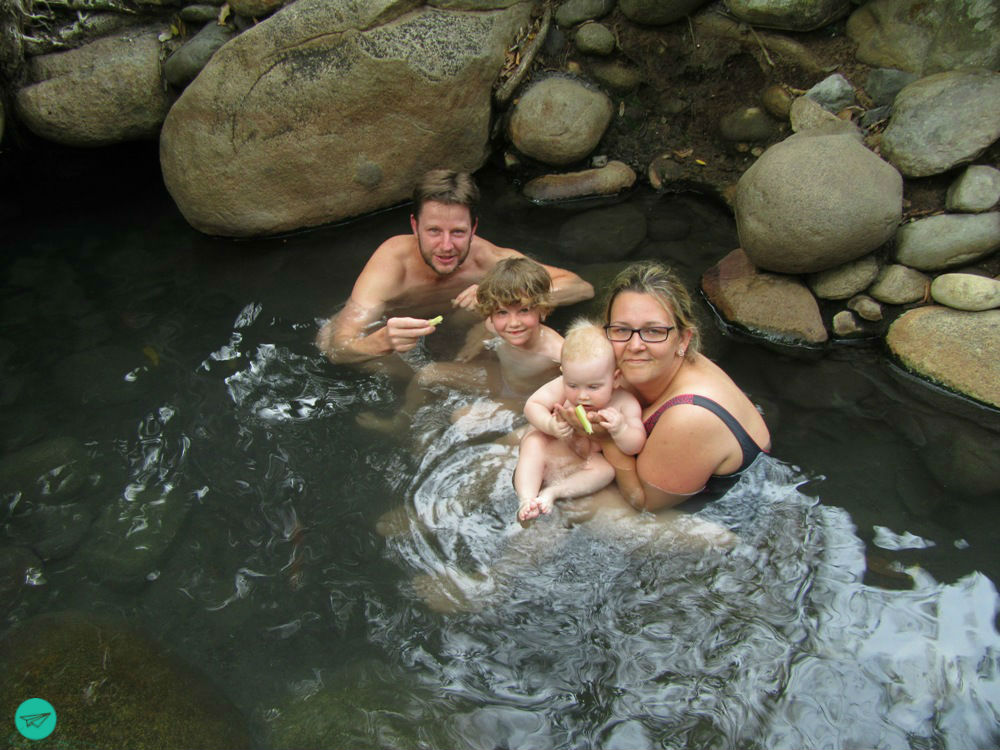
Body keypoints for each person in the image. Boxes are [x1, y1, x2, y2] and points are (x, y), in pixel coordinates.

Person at [315, 169, 593, 366]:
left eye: (458, 232)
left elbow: (580, 287)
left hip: (452, 329)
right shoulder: (392, 265)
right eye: (434, 231)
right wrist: (379, 342)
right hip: (393, 338)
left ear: (473, 228)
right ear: (415, 226)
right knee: (352, 353)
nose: (446, 246)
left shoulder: (486, 258)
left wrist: (495, 293)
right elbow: (339, 346)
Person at [595, 261, 771, 511]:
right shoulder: (656, 362)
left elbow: (643, 508)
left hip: (710, 513)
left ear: (684, 339)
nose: (634, 345)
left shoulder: (690, 417)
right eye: (622, 329)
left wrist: (605, 439)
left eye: (654, 331)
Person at [356, 257, 564, 432]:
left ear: (543, 310)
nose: (513, 323)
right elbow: (484, 328)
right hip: (499, 379)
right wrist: (478, 342)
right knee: (428, 374)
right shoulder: (493, 325)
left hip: (525, 398)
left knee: (462, 419)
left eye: (524, 311)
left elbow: (580, 384)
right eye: (502, 312)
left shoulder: (556, 351)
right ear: (491, 312)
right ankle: (399, 424)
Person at [514, 321, 646, 522]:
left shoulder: (624, 403)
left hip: (587, 460)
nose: (582, 396)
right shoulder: (561, 385)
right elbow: (532, 405)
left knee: (606, 471)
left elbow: (636, 444)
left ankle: (554, 492)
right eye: (573, 385)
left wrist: (621, 429)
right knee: (533, 440)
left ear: (615, 378)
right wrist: (550, 425)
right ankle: (526, 499)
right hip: (559, 447)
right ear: (563, 373)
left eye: (594, 387)